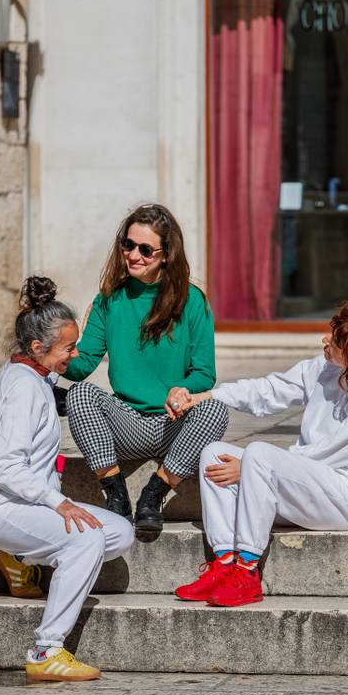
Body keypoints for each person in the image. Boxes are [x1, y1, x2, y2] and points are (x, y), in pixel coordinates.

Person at [174, 302, 348, 608]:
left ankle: (247, 572)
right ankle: (225, 560)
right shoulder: (324, 370)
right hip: (308, 484)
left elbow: (328, 453)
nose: (325, 341)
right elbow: (268, 390)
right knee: (214, 454)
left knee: (259, 454)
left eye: (334, 342)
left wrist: (254, 468)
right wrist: (208, 396)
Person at [0, 276, 134, 681]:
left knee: (119, 532)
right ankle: (47, 648)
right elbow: (7, 468)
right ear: (37, 348)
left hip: (29, 503)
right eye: (68, 348)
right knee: (88, 538)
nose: (75, 355)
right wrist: (57, 502)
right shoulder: (25, 388)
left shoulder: (34, 376)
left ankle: (22, 556)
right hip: (5, 508)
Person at [65, 203, 229, 533]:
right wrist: (55, 353)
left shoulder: (192, 301)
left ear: (166, 254)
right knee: (80, 395)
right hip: (127, 424)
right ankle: (115, 494)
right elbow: (83, 366)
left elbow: (205, 373)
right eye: (128, 245)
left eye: (145, 249)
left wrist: (182, 389)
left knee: (216, 409)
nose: (134, 255)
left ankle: (154, 494)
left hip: (175, 425)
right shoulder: (108, 300)